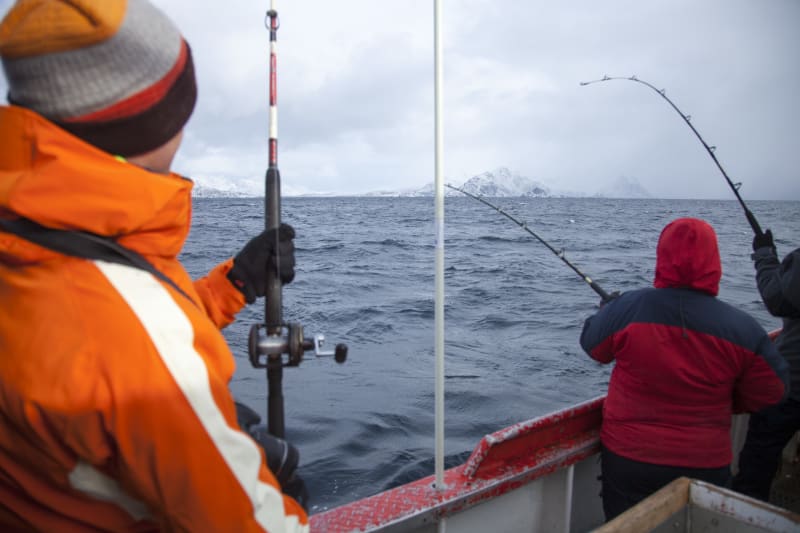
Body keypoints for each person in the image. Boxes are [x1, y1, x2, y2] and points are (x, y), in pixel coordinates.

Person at [0, 0, 308, 530]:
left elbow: (110, 326)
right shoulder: (127, 331)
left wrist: (231, 285)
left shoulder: (36, 231)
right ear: (153, 122)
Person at [580, 217, 790, 521]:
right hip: (704, 462)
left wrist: (607, 311)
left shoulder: (629, 308)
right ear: (714, 261)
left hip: (629, 458)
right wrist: (727, 399)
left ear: (661, 256)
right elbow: (773, 392)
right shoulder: (743, 328)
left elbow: (592, 345)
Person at [732, 230, 800, 502]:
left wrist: (765, 256)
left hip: (791, 383)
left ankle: (745, 515)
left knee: (757, 463)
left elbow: (777, 299)